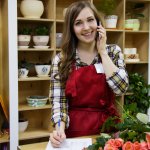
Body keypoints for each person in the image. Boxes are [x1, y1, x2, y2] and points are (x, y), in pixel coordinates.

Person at [49, 1, 129, 148]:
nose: (86, 28)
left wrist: (103, 52)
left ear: (98, 22)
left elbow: (121, 88)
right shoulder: (61, 60)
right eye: (78, 23)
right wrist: (59, 129)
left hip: (108, 130)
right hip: (75, 131)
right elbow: (58, 101)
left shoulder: (113, 52)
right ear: (71, 29)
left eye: (90, 20)